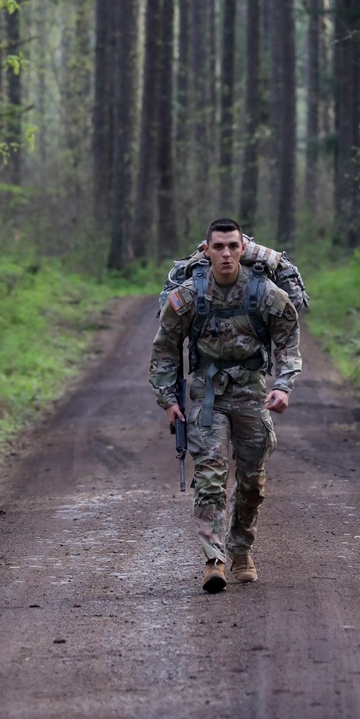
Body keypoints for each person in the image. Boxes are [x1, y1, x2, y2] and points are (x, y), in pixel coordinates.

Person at [149, 216, 302, 593]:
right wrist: (169, 400)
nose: (226, 254)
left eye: (233, 246)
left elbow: (288, 340)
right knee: (211, 478)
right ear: (207, 251)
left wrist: (283, 386)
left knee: (251, 481)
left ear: (242, 249)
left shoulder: (264, 293)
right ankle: (213, 560)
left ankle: (240, 550)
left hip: (252, 390)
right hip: (207, 394)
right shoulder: (188, 295)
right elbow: (165, 350)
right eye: (218, 247)